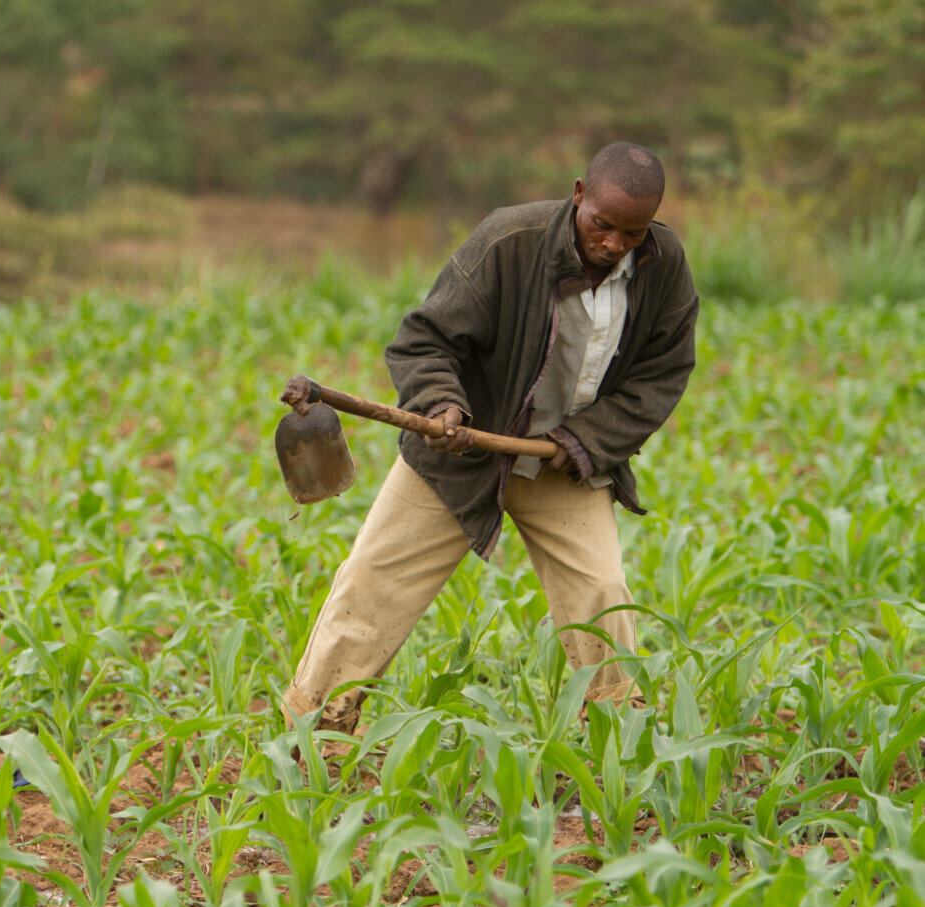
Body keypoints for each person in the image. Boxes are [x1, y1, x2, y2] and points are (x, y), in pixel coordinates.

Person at [282, 142, 698, 734]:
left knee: (603, 591)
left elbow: (664, 372)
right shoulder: (510, 241)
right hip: (463, 455)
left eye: (630, 234)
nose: (612, 244)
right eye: (602, 225)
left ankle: (617, 742)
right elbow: (424, 340)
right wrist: (442, 405)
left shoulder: (663, 265)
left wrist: (583, 441)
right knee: (373, 582)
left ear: (651, 224)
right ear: (579, 193)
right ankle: (310, 734)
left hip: (565, 460)